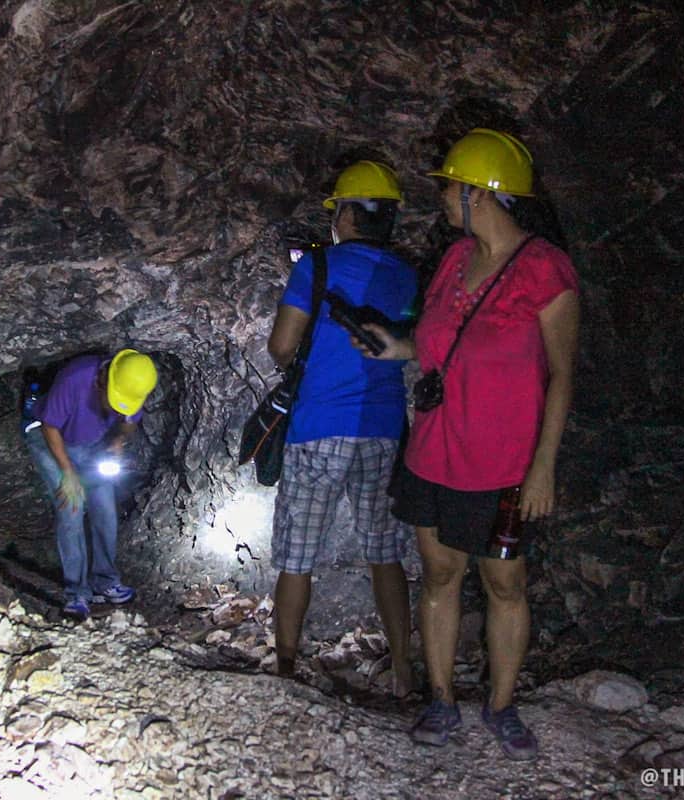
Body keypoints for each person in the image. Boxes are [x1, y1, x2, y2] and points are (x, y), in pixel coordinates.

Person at [357, 129, 580, 757]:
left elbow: (562, 375)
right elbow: (433, 350)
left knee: (505, 586)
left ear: (478, 194)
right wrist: (392, 344)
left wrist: (543, 468)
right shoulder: (455, 260)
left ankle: (502, 706)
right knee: (439, 575)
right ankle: (442, 700)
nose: (443, 196)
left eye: (450, 186)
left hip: (504, 465)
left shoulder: (545, 270)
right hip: (433, 454)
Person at [266, 160, 419, 695]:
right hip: (382, 429)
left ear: (347, 214)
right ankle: (403, 671)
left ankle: (285, 670)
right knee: (385, 554)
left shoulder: (317, 267)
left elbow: (282, 347)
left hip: (318, 428)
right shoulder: (408, 275)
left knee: (296, 557)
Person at [23, 349, 159, 621]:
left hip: (88, 442)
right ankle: (76, 592)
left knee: (105, 508)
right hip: (47, 437)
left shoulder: (133, 384)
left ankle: (105, 580)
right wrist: (69, 474)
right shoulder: (75, 378)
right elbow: (50, 427)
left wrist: (118, 441)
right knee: (71, 505)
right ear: (103, 380)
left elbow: (130, 421)